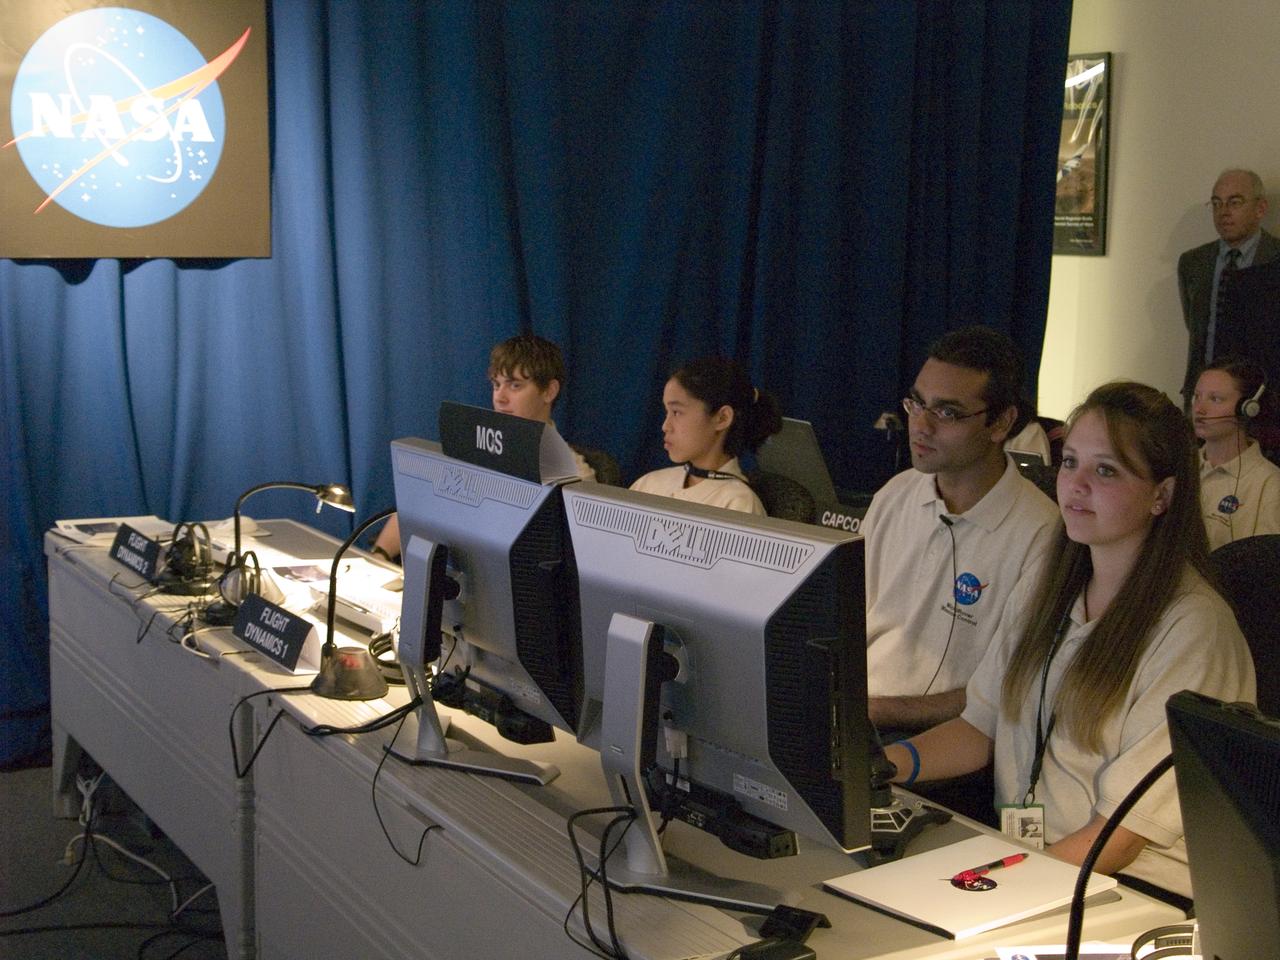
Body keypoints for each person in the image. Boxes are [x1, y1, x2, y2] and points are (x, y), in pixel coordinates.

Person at [885, 382, 1255, 900]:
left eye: (1105, 471)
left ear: (1162, 495)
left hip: (1130, 890)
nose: (1075, 486)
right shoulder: (1048, 580)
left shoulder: (1194, 628)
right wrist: (875, 769)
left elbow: (1121, 836)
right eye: (1071, 462)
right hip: (1036, 863)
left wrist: (990, 886)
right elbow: (979, 726)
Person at [863, 326, 1059, 734]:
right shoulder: (896, 495)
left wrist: (876, 711)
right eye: (917, 404)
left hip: (945, 738)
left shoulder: (1040, 533)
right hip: (857, 715)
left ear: (1000, 423)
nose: (921, 425)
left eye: (947, 412)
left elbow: (1008, 689)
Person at [372, 334, 595, 561]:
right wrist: (379, 556)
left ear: (549, 391)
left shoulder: (574, 476)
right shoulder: (474, 449)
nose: (500, 397)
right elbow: (422, 503)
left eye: (515, 386)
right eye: (496, 385)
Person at [1178, 169, 1280, 407]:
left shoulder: (1275, 258)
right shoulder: (1193, 262)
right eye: (1216, 203)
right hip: (1204, 398)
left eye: (1234, 202)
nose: (1223, 212)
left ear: (1260, 209)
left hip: (1264, 400)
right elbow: (1195, 327)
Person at [630, 357, 781, 515]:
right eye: (667, 412)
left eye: (677, 412)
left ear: (722, 418)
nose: (665, 426)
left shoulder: (739, 505)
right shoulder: (648, 485)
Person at [1191, 356, 1280, 550]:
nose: (1199, 409)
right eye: (1197, 396)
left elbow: (1265, 566)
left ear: (1247, 409)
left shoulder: (1269, 483)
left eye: (1215, 399)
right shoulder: (1180, 465)